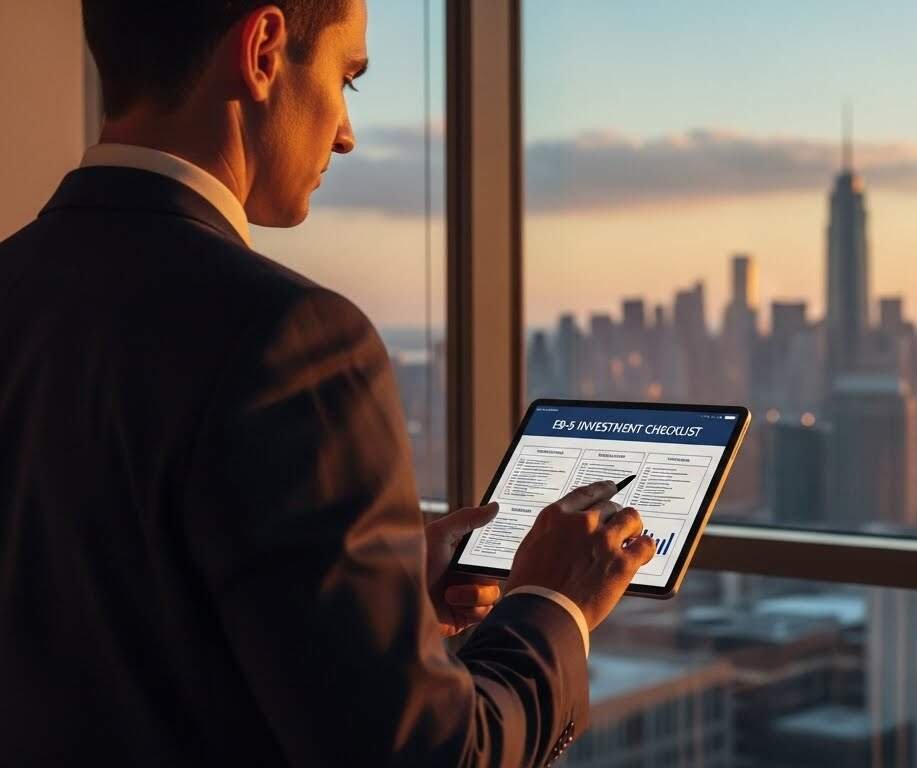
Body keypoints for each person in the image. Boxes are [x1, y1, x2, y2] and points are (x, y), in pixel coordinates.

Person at [0, 1, 656, 765]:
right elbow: (433, 754)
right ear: (264, 49)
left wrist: (369, 598)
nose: (345, 132)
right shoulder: (291, 337)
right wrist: (553, 604)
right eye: (349, 79)